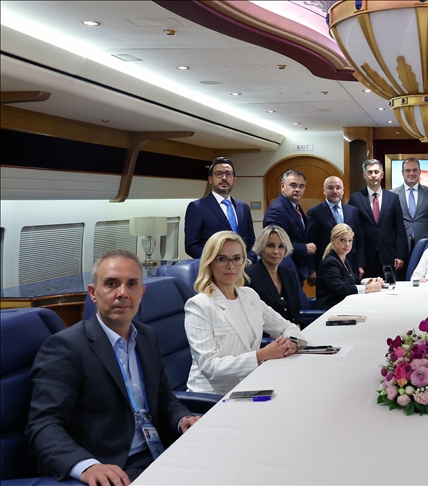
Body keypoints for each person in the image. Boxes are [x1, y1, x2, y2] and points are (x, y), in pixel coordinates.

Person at [26, 250, 199, 484]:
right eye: (111, 284)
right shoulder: (66, 347)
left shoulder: (146, 336)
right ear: (93, 293)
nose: (123, 293)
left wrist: (183, 419)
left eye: (132, 284)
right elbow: (43, 424)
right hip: (114, 465)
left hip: (161, 451)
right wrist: (87, 466)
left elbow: (164, 397)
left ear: (141, 293)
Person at [184, 231, 306, 395]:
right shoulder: (199, 305)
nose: (231, 266)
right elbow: (209, 367)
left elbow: (287, 327)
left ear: (244, 261)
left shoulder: (249, 296)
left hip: (250, 387)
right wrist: (260, 355)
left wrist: (290, 342)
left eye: (236, 258)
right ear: (209, 262)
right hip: (213, 397)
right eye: (222, 259)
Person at [185, 157, 256, 261]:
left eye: (228, 174)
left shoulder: (243, 207)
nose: (224, 178)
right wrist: (219, 261)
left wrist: (247, 261)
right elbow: (192, 246)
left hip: (243, 267)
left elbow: (250, 241)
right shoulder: (197, 207)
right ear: (210, 179)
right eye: (219, 174)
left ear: (234, 180)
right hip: (214, 267)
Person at [348, 159, 408, 279]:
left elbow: (399, 228)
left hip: (388, 255)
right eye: (370, 172)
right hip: (365, 257)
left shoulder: (393, 198)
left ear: (382, 174)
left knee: (389, 288)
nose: (373, 175)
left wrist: (400, 255)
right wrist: (357, 260)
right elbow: (352, 231)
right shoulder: (355, 199)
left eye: (376, 172)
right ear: (364, 175)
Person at [306, 176, 365, 283]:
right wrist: (311, 270)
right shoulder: (314, 212)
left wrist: (360, 264)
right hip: (326, 266)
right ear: (324, 191)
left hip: (350, 265)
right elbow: (310, 242)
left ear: (343, 190)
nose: (335, 191)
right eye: (330, 188)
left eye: (338, 187)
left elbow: (359, 240)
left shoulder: (353, 211)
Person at [263, 170, 315, 283]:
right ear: (282, 186)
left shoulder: (295, 206)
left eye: (301, 186)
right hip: (284, 268)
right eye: (293, 185)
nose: (297, 189)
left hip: (296, 268)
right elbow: (276, 244)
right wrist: (304, 248)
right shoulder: (277, 210)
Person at [392, 157, 428, 279]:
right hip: (401, 247)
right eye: (408, 170)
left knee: (424, 279)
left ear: (419, 172)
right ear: (402, 172)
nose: (411, 173)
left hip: (425, 245)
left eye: (414, 170)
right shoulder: (392, 194)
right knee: (402, 280)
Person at [316, 223, 385, 310]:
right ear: (332, 240)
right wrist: (367, 288)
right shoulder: (330, 263)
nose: (347, 244)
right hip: (331, 309)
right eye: (342, 240)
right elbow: (342, 288)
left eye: (350, 240)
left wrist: (370, 281)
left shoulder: (345, 261)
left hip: (344, 306)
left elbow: (353, 280)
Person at [246, 225, 302, 325]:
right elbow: (249, 317)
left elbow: (296, 313)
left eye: (281, 246)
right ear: (261, 248)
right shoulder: (249, 276)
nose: (276, 251)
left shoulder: (289, 274)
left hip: (291, 331)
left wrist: (298, 325)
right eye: (271, 246)